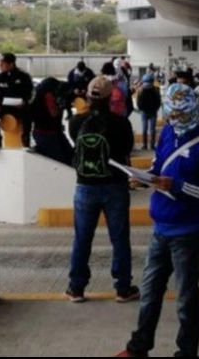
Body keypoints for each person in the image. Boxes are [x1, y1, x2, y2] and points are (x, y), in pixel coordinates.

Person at [117, 84, 199, 358]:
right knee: (149, 294)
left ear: (192, 110)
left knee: (186, 300)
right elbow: (159, 164)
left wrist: (175, 186)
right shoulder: (168, 132)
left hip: (188, 233)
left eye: (179, 113)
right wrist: (144, 177)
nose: (173, 119)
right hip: (160, 228)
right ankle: (138, 348)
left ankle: (186, 352)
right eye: (171, 113)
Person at [66, 76, 139, 304]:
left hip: (85, 186)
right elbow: (127, 149)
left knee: (82, 239)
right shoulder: (121, 123)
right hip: (115, 186)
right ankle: (123, 288)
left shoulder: (76, 122)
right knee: (119, 238)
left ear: (88, 95)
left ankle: (76, 288)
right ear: (111, 98)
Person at [0, 53, 34, 149]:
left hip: (20, 106)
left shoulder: (24, 75)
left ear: (11, 64)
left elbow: (32, 92)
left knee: (28, 115)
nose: (0, 65)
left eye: (3, 63)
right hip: (3, 106)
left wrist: (25, 102)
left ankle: (25, 140)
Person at [31, 77, 74, 166]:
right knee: (62, 162)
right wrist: (62, 105)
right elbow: (54, 113)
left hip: (51, 132)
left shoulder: (40, 94)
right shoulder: (47, 95)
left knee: (70, 157)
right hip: (46, 133)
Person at [136, 73, 161, 151]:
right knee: (150, 129)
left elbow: (138, 102)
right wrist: (155, 109)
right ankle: (150, 145)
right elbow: (158, 102)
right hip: (151, 112)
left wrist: (141, 109)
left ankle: (146, 145)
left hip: (146, 112)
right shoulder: (155, 90)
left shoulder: (141, 90)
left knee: (147, 129)